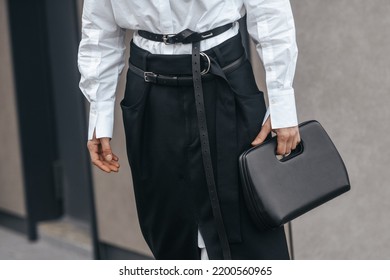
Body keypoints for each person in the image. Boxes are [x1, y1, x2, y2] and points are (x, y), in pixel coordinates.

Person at [78, 0, 300, 260]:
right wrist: (99, 114)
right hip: (149, 84)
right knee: (168, 227)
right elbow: (99, 25)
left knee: (249, 221)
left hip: (223, 74)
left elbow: (268, 9)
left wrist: (282, 102)